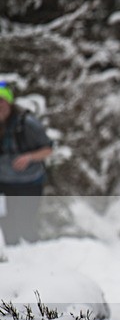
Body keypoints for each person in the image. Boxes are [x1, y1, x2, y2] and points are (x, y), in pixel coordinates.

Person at [0, 81, 54, 245]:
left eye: (1, 101)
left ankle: (34, 255)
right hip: (5, 182)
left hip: (29, 182)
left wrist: (29, 157)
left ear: (9, 102)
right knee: (8, 226)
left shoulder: (27, 123)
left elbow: (48, 149)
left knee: (25, 224)